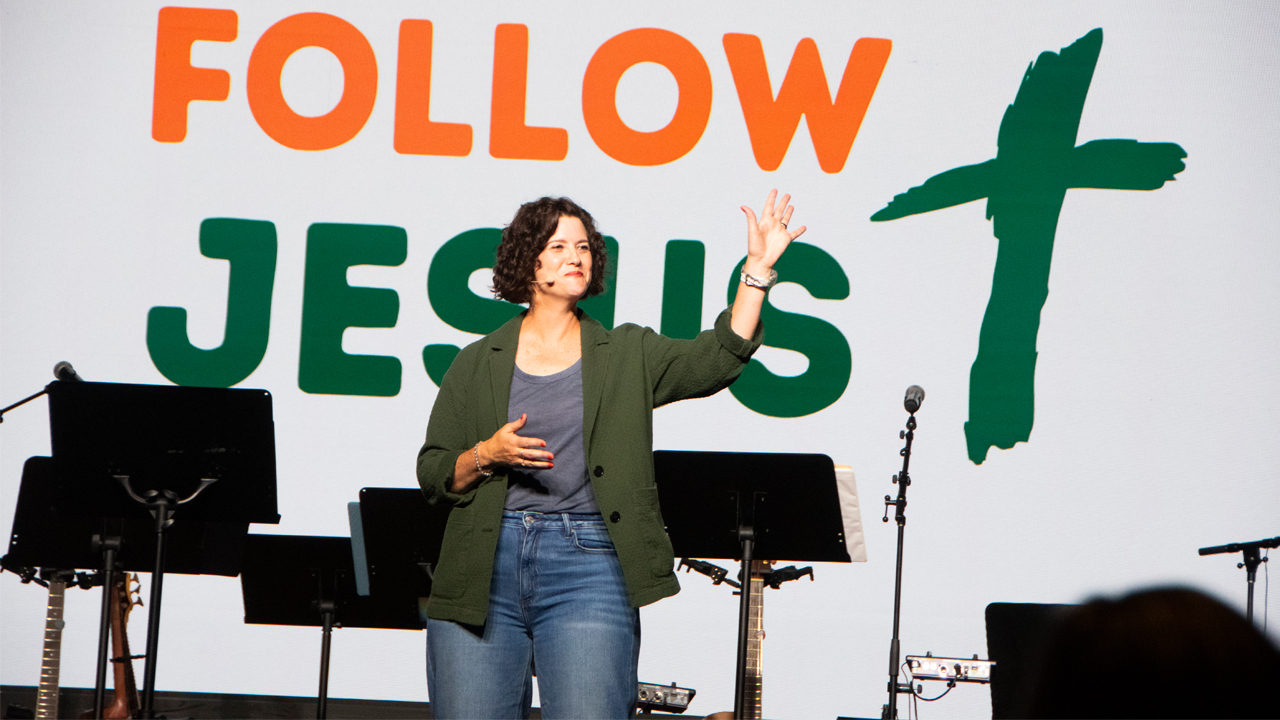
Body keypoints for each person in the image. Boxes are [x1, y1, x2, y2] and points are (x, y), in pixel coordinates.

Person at [416, 190, 804, 719]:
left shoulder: (626, 353)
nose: (575, 257)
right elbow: (435, 472)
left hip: (589, 564)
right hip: (483, 565)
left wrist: (756, 272)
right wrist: (487, 453)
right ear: (527, 263)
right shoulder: (475, 361)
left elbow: (716, 359)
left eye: (583, 247)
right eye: (557, 246)